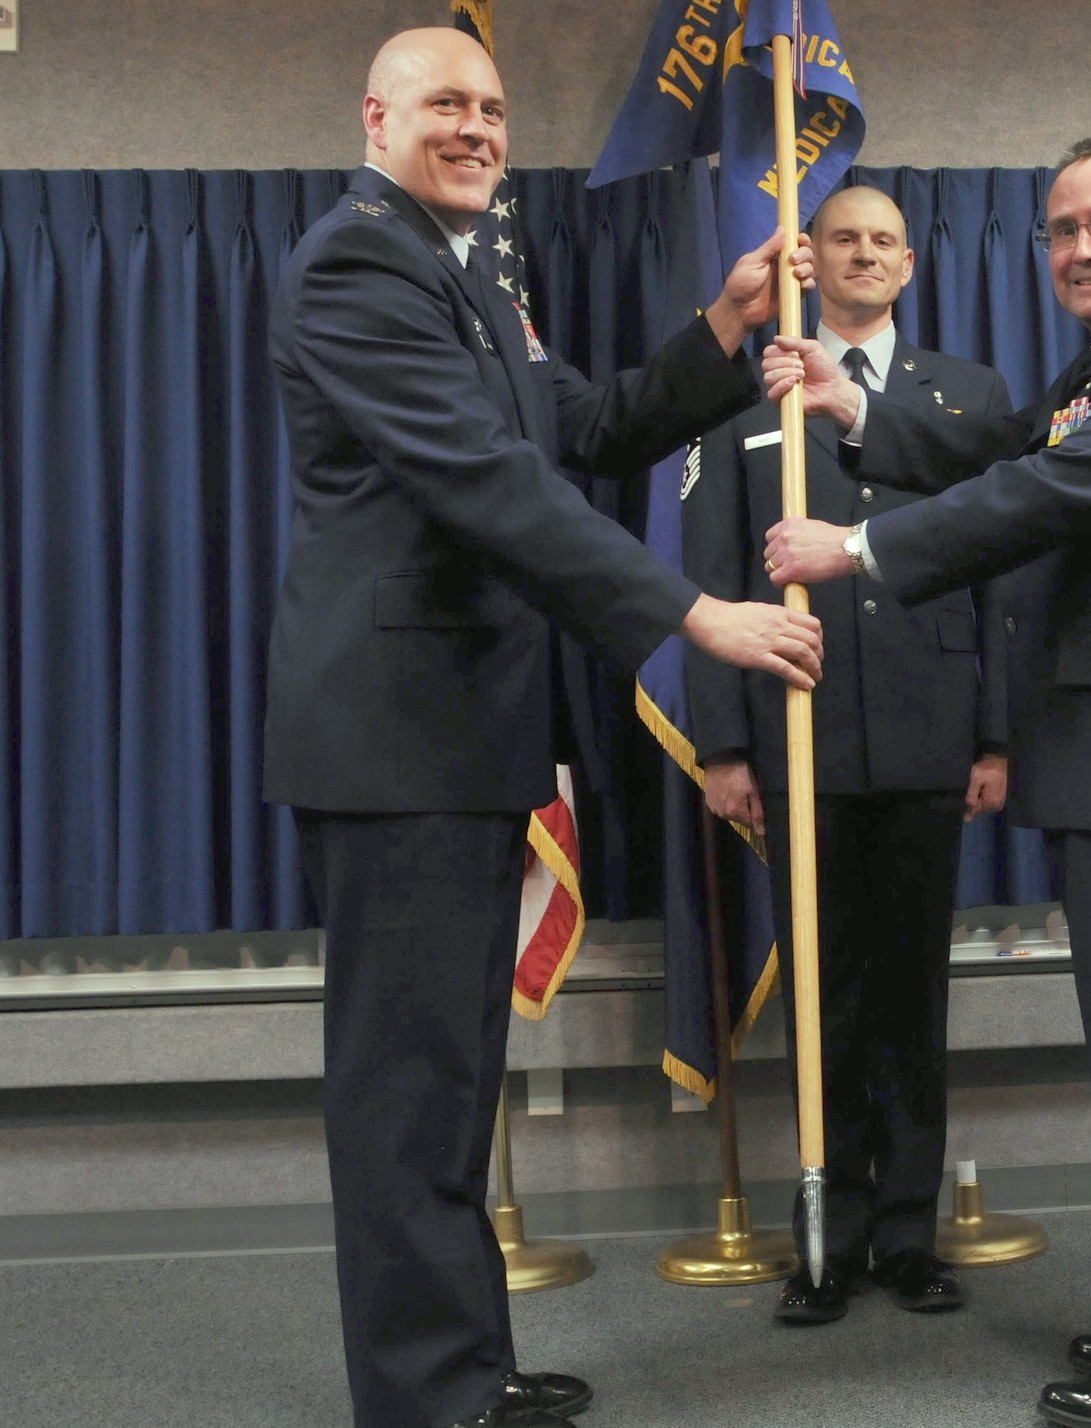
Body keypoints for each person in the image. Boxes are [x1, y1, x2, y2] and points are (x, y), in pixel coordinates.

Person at [262, 28, 823, 1428]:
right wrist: (691, 616)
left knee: (451, 1087)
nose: (477, 127)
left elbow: (583, 425)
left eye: (494, 108)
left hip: (455, 738)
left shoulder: (471, 278)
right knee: (408, 1094)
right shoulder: (354, 263)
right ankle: (425, 1399)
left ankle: (459, 1373)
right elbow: (481, 485)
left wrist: (724, 332)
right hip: (393, 745)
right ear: (376, 115)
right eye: (446, 103)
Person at [764, 135, 1091, 1426]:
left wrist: (857, 545)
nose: (1082, 248)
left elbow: (1043, 493)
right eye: (1060, 230)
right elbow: (1010, 451)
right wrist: (859, 412)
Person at [681, 183, 1013, 1325]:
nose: (864, 254)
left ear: (910, 265)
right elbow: (713, 579)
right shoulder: (747, 395)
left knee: (912, 997)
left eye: (884, 241)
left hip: (926, 733)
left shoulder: (966, 398)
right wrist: (725, 746)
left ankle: (910, 1238)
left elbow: (1000, 570)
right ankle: (827, 1239)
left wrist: (994, 734)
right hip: (797, 735)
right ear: (808, 261)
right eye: (842, 239)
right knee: (821, 997)